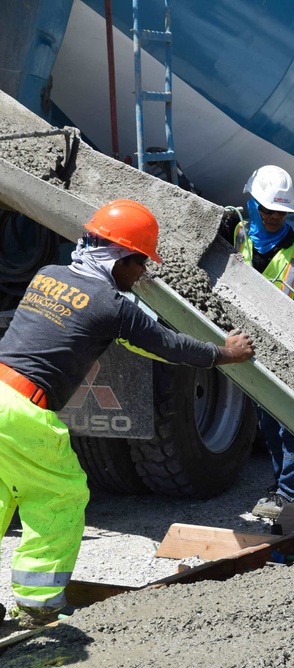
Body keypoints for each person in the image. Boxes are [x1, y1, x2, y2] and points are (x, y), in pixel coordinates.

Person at [0, 199, 254, 629]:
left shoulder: (48, 275)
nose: (143, 275)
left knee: (4, 494)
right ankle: (37, 605)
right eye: (139, 264)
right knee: (60, 497)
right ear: (118, 257)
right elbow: (165, 346)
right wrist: (224, 353)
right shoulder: (111, 307)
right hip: (24, 411)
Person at [220, 165, 294, 519]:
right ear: (253, 206)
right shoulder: (239, 236)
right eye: (268, 210)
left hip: (285, 349)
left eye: (281, 212)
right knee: (268, 424)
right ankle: (280, 487)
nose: (276, 217)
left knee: (287, 425)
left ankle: (291, 494)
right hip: (248, 349)